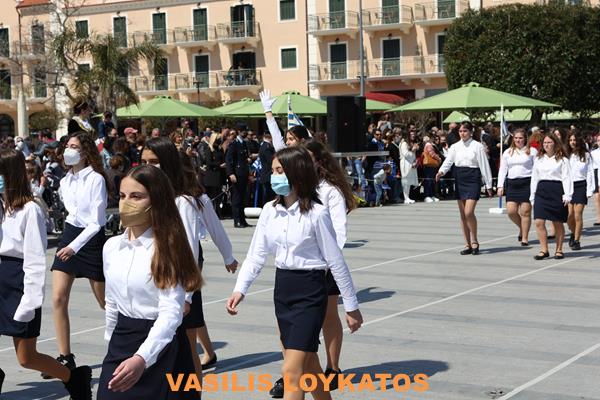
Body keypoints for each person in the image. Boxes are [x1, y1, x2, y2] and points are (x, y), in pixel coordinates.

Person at [226, 146, 363, 400]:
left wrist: (351, 306)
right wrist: (240, 289)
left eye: (279, 170)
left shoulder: (317, 213)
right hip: (283, 291)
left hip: (311, 292)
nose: (273, 176)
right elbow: (256, 255)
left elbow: (336, 262)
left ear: (296, 173)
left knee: (291, 371)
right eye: (273, 170)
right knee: (309, 365)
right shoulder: (269, 211)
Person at [98, 165, 202, 399]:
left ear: (156, 201)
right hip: (121, 340)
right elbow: (111, 301)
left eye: (136, 196)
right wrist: (111, 342)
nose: (126, 203)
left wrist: (142, 358)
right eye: (122, 196)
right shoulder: (111, 247)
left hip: (161, 346)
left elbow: (171, 313)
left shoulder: (166, 249)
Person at [0, 149, 93, 400]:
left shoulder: (30, 209)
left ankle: (74, 378)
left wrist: (30, 301)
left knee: (26, 357)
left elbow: (35, 259)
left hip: (17, 281)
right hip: (0, 276)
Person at [49, 132, 107, 375]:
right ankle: (65, 357)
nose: (68, 150)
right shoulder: (65, 181)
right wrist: (69, 243)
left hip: (90, 240)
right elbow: (72, 214)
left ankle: (134, 341)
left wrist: (75, 246)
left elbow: (97, 222)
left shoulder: (96, 179)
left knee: (105, 302)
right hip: (69, 234)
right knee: (58, 298)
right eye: (67, 146)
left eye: (73, 146)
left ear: (85, 152)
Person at [435, 121, 493, 255]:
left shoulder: (477, 146)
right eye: (460, 131)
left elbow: (484, 165)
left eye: (465, 131)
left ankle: (475, 240)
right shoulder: (455, 146)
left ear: (471, 132)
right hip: (460, 177)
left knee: (468, 212)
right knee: (463, 215)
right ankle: (467, 244)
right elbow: (449, 161)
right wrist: (441, 171)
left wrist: (489, 185)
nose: (462, 133)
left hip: (473, 177)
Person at [530, 132, 573, 260]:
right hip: (542, 191)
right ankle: (544, 250)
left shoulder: (563, 160)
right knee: (539, 221)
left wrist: (567, 194)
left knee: (557, 222)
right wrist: (532, 195)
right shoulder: (538, 159)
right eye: (545, 143)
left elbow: (567, 177)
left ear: (555, 143)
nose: (547, 145)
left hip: (557, 190)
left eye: (549, 142)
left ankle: (559, 249)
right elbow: (534, 178)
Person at [497, 129, 537, 246]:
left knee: (525, 212)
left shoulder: (532, 151)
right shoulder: (508, 152)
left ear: (525, 139)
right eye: (516, 138)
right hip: (512, 184)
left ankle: (525, 237)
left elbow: (537, 168)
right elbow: (503, 169)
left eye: (520, 138)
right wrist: (500, 185)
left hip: (527, 183)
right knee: (511, 211)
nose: (518, 140)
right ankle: (522, 228)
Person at [566, 132, 595, 250]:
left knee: (578, 214)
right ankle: (574, 233)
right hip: (569, 187)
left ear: (579, 141)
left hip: (581, 185)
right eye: (571, 140)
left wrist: (589, 190)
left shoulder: (586, 155)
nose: (573, 142)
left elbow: (590, 172)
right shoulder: (566, 155)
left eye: (575, 140)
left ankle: (577, 240)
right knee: (569, 216)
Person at [225, 128, 251, 228]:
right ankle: (237, 220)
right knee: (236, 198)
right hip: (236, 174)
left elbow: (243, 158)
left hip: (243, 173)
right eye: (243, 131)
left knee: (243, 198)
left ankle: (242, 219)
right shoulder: (234, 144)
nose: (245, 132)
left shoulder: (244, 143)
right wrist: (231, 173)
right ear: (239, 131)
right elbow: (229, 160)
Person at [399, 129, 419, 204]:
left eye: (414, 134)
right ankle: (406, 198)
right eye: (411, 135)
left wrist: (415, 161)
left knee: (409, 181)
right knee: (405, 180)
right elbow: (406, 154)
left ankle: (408, 197)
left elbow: (413, 155)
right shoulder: (404, 143)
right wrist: (413, 150)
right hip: (405, 163)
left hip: (411, 163)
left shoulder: (410, 143)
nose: (413, 136)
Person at [258, 132, 276, 205]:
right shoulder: (267, 147)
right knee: (269, 197)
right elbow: (270, 161)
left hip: (267, 174)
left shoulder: (266, 146)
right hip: (268, 174)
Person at [422, 135, 441, 203]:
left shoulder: (429, 144)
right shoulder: (429, 145)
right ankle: (427, 196)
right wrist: (439, 158)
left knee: (431, 180)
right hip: (429, 166)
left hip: (430, 165)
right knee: (429, 180)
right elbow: (432, 154)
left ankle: (431, 195)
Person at [591, 134, 600, 225]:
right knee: (597, 196)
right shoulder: (593, 153)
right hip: (596, 173)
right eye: (598, 140)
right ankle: (599, 218)